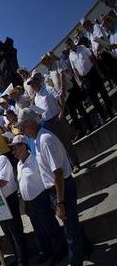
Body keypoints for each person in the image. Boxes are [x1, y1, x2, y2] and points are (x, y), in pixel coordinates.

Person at [17, 108, 91, 266]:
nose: (22, 131)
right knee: (71, 223)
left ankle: (75, 261)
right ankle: (86, 246)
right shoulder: (38, 140)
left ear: (30, 124)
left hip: (61, 187)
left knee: (70, 228)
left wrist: (60, 202)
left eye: (23, 127)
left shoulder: (45, 140)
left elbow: (57, 173)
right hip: (56, 188)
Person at [10, 134, 66, 265]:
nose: (13, 151)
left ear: (23, 146)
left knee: (50, 227)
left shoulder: (35, 160)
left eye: (15, 148)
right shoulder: (19, 164)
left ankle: (60, 252)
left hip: (41, 198)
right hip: (29, 202)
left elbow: (47, 178)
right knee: (39, 231)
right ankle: (48, 252)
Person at [26, 69, 79, 168]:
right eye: (30, 84)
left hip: (57, 118)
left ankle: (75, 163)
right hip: (47, 123)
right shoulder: (36, 97)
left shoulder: (47, 88)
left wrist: (62, 112)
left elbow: (60, 97)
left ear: (37, 81)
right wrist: (32, 106)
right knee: (58, 146)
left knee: (66, 142)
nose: (32, 85)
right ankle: (69, 165)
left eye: (33, 82)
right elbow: (41, 113)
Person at [66, 37, 115, 124]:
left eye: (70, 42)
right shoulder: (70, 56)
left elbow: (92, 57)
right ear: (67, 47)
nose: (69, 45)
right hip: (85, 78)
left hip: (93, 72)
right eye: (68, 44)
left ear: (72, 42)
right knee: (93, 98)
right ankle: (102, 115)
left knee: (103, 92)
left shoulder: (82, 47)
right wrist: (79, 81)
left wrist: (99, 70)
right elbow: (75, 70)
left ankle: (110, 110)